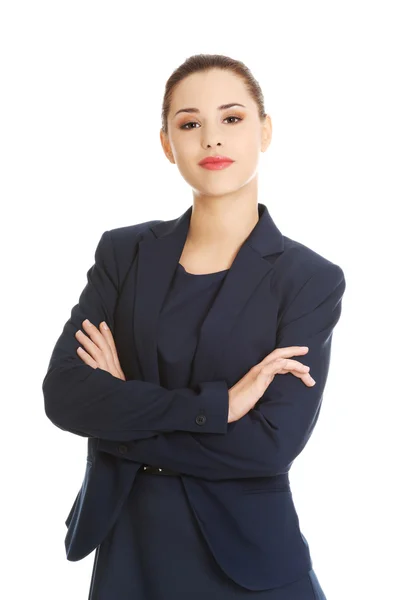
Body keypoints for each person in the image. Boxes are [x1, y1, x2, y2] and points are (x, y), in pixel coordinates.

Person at [43, 53, 345, 599]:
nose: (211, 139)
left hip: (250, 565)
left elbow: (268, 447)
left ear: (265, 131)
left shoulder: (309, 280)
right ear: (167, 143)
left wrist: (120, 417)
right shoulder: (124, 253)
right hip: (130, 558)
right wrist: (217, 409)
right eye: (189, 123)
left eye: (231, 119)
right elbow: (64, 394)